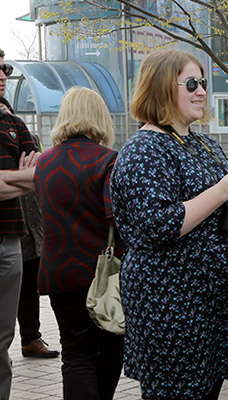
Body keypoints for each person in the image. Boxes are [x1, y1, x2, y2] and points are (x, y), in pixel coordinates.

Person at [111, 49, 228, 399]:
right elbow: (159, 225)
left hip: (208, 300)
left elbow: (215, 209)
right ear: (161, 87)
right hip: (173, 302)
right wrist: (224, 187)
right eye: (191, 83)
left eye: (204, 83)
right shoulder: (144, 150)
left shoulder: (203, 143)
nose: (201, 92)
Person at [34, 87, 125, 399]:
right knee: (110, 350)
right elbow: (118, 221)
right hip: (102, 276)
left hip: (58, 273)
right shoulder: (109, 160)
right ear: (100, 116)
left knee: (75, 355)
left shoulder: (44, 163)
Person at [0, 48, 41, 399]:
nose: (2, 75)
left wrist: (9, 179)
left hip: (11, 239)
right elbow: (25, 176)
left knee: (2, 338)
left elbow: (37, 175)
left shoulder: (13, 122)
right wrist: (21, 176)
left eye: (4, 69)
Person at [17, 130, 59, 360]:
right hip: (10, 226)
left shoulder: (28, 136)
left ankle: (31, 338)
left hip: (34, 226)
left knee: (30, 287)